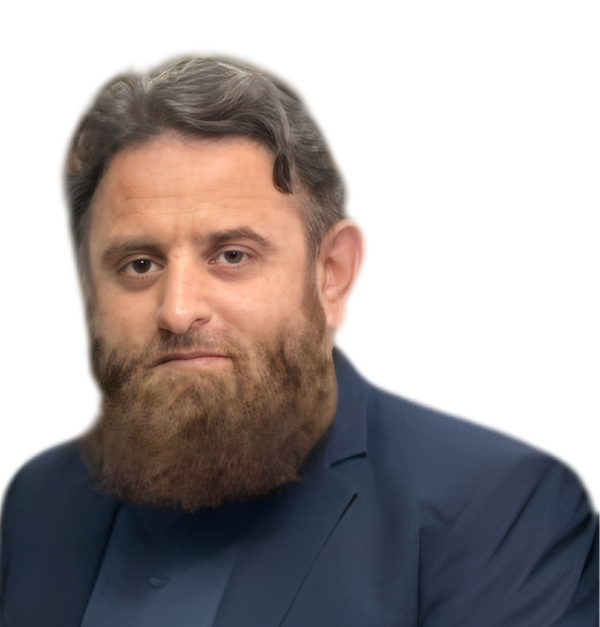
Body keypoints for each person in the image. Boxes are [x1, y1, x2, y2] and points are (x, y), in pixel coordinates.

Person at [0, 57, 597, 627]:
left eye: (232, 255)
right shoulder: (39, 501)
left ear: (331, 273)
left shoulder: (498, 510)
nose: (177, 311)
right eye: (139, 265)